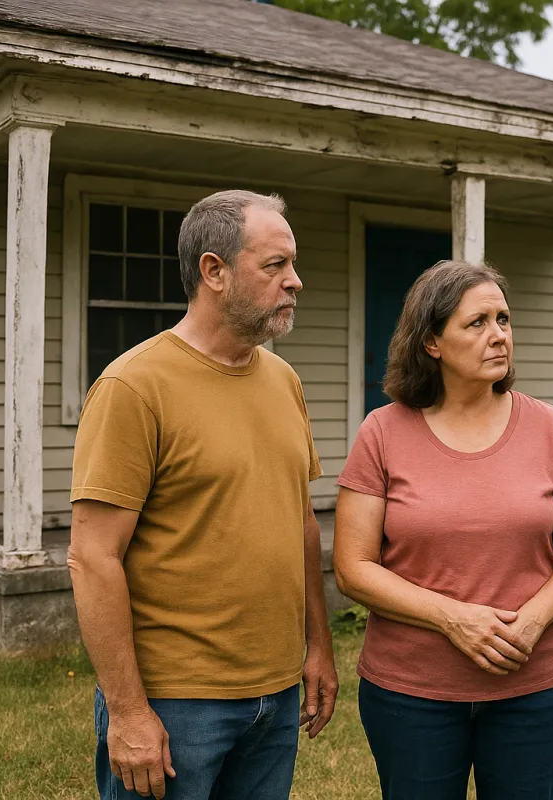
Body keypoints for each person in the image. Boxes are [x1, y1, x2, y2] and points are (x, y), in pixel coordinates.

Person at [68, 190, 338, 800]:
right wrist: (130, 712)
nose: (296, 282)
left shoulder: (283, 380)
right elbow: (92, 557)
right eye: (276, 266)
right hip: (175, 703)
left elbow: (299, 521)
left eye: (293, 264)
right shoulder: (134, 387)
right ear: (214, 271)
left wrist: (317, 645)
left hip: (274, 694)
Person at [334, 259, 553, 800]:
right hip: (412, 694)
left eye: (503, 319)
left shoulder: (548, 427)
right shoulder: (382, 432)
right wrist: (453, 619)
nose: (498, 335)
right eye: (477, 323)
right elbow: (352, 567)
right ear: (432, 341)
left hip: (535, 687)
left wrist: (531, 622)